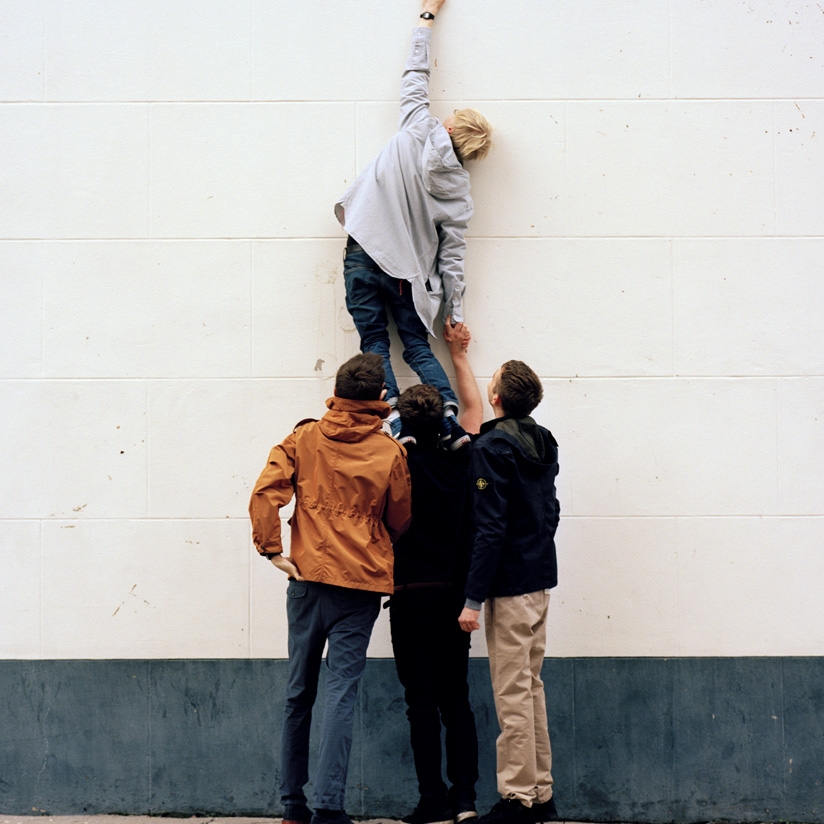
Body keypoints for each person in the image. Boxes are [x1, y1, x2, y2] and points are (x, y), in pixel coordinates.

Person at [249, 352, 413, 824]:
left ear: (338, 392)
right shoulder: (390, 453)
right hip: (358, 587)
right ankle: (329, 807)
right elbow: (400, 518)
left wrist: (273, 551)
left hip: (305, 582)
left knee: (299, 692)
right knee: (341, 694)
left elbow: (266, 491)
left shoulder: (303, 438)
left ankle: (292, 805)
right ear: (380, 398)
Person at [335, 0, 493, 450]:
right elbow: (452, 258)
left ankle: (399, 425)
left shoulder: (417, 124)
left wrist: (427, 15)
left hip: (365, 251)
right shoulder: (460, 193)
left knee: (373, 344)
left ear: (450, 124)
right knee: (417, 346)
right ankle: (444, 415)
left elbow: (415, 74)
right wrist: (455, 315)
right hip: (408, 275)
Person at [458, 362, 561, 824]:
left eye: (492, 381)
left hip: (509, 587)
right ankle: (541, 795)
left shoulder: (492, 447)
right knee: (531, 690)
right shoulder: (543, 442)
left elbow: (489, 528)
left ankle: (517, 799)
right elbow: (550, 510)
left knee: (513, 695)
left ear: (496, 398)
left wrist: (472, 599)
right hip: (538, 581)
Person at [389, 319, 484, 824]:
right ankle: (466, 800)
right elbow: (473, 412)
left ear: (402, 424)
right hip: (453, 598)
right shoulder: (465, 462)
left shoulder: (394, 464)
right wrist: (460, 355)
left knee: (420, 705)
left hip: (408, 596)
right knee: (457, 701)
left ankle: (432, 801)